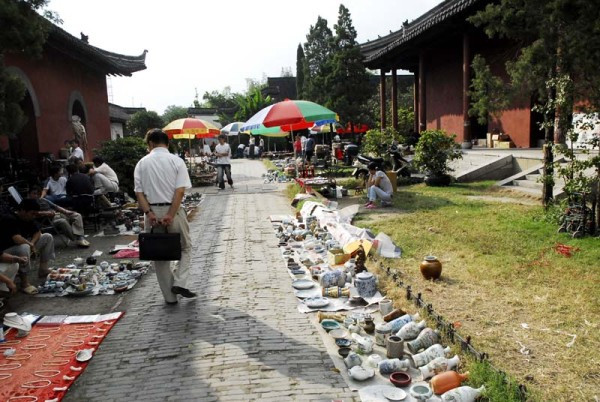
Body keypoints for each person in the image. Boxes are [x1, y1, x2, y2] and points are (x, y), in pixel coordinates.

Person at [134, 129, 194, 304]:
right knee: (185, 247)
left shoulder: (141, 163)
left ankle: (170, 297)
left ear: (150, 144)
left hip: (151, 211)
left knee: (159, 255)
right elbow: (180, 191)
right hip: (174, 211)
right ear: (166, 143)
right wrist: (170, 214)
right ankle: (180, 282)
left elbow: (139, 193)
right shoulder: (177, 161)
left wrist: (149, 213)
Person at [0, 199, 56, 294]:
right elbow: (17, 239)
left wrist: (33, 243)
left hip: (21, 247)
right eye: (32, 213)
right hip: (6, 250)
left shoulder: (28, 218)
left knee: (47, 237)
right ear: (22, 210)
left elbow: (38, 232)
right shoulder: (9, 218)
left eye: (35, 214)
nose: (33, 216)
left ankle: (43, 269)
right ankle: (24, 283)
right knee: (24, 246)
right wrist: (30, 245)